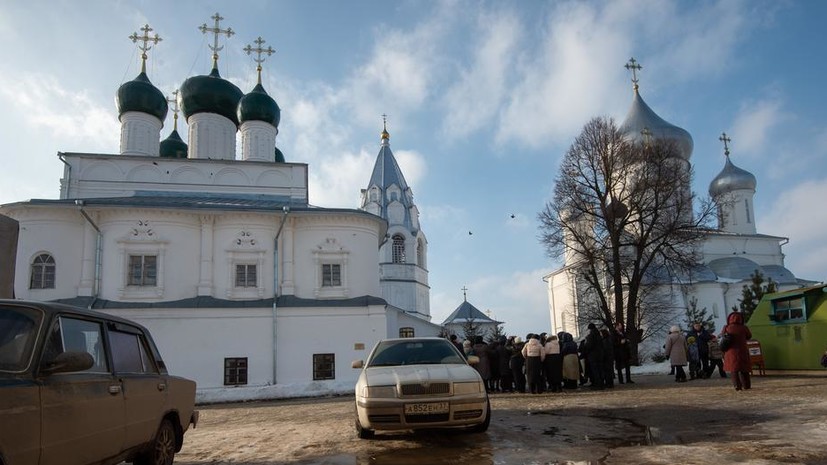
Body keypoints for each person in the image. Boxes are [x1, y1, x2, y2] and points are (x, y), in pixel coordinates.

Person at [722, 312, 752, 391]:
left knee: (734, 370)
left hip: (731, 352)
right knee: (744, 369)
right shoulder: (744, 328)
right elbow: (749, 336)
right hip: (742, 350)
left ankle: (737, 386)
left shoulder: (726, 327)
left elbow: (723, 336)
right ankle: (746, 385)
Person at [582, 323, 605, 389]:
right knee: (600, 369)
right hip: (600, 355)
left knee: (595, 371)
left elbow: (589, 346)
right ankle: (602, 384)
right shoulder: (599, 335)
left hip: (593, 356)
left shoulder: (591, 336)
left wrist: (586, 347)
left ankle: (597, 384)